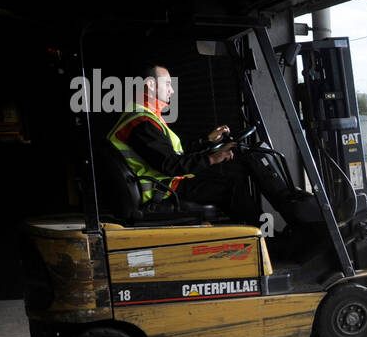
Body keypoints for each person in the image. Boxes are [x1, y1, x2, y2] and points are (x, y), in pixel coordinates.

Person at [106, 63, 262, 224]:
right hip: (163, 191)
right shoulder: (141, 122)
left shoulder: (146, 116)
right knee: (231, 187)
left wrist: (206, 140)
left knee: (221, 182)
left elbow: (173, 152)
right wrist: (212, 159)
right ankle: (267, 236)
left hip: (165, 185)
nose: (171, 90)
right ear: (151, 85)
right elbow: (170, 164)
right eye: (167, 84)